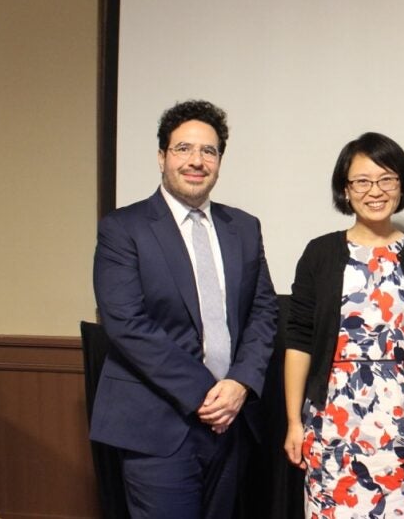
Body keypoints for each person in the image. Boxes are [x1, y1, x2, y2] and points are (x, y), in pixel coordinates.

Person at [90, 100, 278, 518]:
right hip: (157, 426)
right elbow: (127, 324)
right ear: (162, 157)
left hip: (230, 424)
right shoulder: (124, 228)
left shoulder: (244, 227)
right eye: (183, 149)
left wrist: (239, 385)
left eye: (208, 151)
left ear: (219, 161)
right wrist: (206, 395)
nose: (197, 161)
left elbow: (263, 313)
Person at [283, 132, 404, 518]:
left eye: (386, 179)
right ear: (345, 189)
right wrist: (294, 422)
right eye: (362, 181)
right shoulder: (319, 253)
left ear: (402, 185)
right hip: (333, 421)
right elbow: (300, 342)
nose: (374, 191)